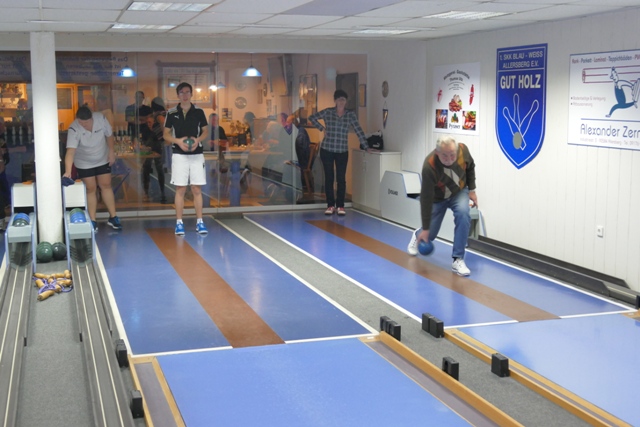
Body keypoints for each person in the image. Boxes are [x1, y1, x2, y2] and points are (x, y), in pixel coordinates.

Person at [407, 135, 477, 276]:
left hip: (458, 192)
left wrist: (472, 190)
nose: (449, 159)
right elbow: (426, 198)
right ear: (437, 152)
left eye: (452, 155)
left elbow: (470, 167)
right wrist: (426, 228)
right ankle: (418, 234)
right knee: (430, 234)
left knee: (463, 214)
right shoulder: (429, 166)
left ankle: (458, 259)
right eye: (444, 155)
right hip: (437, 198)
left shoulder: (463, 150)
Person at [62, 105, 122, 232]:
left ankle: (113, 217)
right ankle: (92, 220)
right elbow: (70, 152)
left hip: (102, 158)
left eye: (86, 122)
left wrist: (111, 151)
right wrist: (67, 171)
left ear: (92, 118)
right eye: (81, 122)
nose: (83, 125)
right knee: (91, 189)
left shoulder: (100, 119)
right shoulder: (74, 128)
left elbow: (109, 135)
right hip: (84, 162)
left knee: (106, 185)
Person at [309, 89, 368, 216]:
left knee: (341, 178)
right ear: (335, 101)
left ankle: (340, 205)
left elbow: (358, 130)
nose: (341, 102)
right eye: (339, 99)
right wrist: (322, 128)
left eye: (343, 99)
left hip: (342, 151)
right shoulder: (328, 112)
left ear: (346, 101)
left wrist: (366, 146)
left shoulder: (350, 115)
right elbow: (312, 118)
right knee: (329, 177)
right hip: (327, 149)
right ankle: (330, 205)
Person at [163, 82, 209, 235]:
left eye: (187, 92)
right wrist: (178, 141)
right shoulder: (171, 113)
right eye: (182, 92)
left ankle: (200, 222)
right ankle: (179, 223)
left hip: (197, 154)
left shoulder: (199, 112)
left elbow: (205, 131)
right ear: (178, 95)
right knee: (180, 188)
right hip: (179, 155)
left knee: (196, 188)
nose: (185, 95)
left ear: (191, 94)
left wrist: (197, 140)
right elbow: (166, 134)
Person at [141, 97, 167, 203]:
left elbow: (163, 125)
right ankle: (156, 193)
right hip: (157, 144)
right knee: (150, 168)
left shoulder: (159, 115)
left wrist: (165, 135)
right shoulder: (164, 114)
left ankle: (160, 193)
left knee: (157, 169)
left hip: (159, 145)